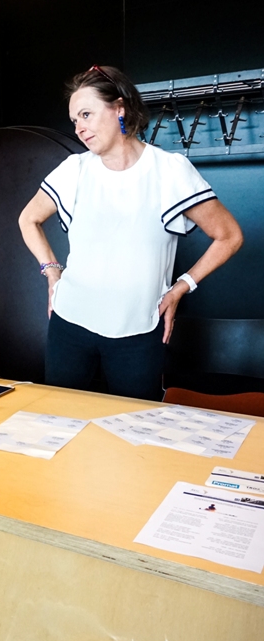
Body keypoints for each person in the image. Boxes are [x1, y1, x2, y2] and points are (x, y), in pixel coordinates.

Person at [18, 64, 244, 400]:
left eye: (86, 114)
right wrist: (51, 272)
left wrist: (181, 287)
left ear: (119, 108)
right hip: (69, 324)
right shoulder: (74, 169)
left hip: (139, 331)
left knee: (136, 424)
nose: (79, 128)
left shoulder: (170, 171)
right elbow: (28, 219)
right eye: (75, 120)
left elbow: (229, 235)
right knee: (60, 417)